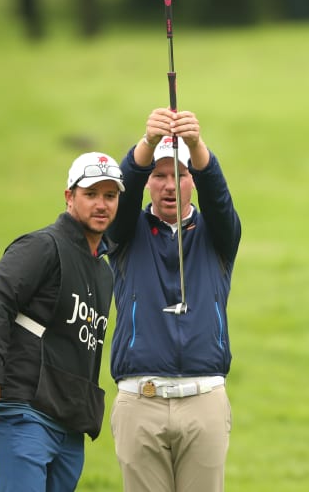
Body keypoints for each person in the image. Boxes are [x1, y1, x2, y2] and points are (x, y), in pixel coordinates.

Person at [0, 152, 125, 492]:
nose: (101, 204)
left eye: (110, 196)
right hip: (24, 412)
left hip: (69, 424)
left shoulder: (104, 271)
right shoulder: (42, 246)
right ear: (70, 196)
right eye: (91, 194)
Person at [107, 108, 242, 492]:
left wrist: (197, 146)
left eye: (180, 176)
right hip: (140, 400)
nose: (170, 185)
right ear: (147, 182)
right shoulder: (124, 234)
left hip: (204, 400)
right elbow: (123, 194)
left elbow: (219, 198)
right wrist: (145, 145)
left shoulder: (218, 236)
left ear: (192, 182)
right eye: (159, 176)